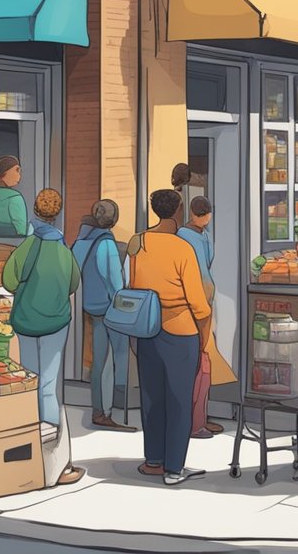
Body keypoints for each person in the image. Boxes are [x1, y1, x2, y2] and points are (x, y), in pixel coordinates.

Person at [128, 189, 211, 486]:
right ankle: (174, 468)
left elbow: (132, 286)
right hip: (180, 330)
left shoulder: (139, 243)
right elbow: (198, 304)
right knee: (178, 400)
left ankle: (153, 460)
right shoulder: (181, 249)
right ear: (177, 213)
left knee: (152, 396)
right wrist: (204, 336)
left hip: (146, 327)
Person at [3, 188, 84, 487]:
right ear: (58, 214)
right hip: (56, 323)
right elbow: (73, 283)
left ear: (36, 213)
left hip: (26, 321)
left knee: (29, 382)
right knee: (48, 387)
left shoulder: (26, 247)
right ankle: (52, 463)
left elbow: (9, 280)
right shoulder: (64, 251)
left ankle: (25, 453)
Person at [71, 199, 134, 433]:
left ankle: (99, 407)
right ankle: (106, 411)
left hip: (90, 306)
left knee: (99, 359)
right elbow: (115, 282)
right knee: (112, 359)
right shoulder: (106, 243)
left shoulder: (81, 240)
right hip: (109, 308)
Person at [176, 196, 224, 439]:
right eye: (203, 212)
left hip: (205, 301)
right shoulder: (184, 237)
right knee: (199, 362)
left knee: (203, 361)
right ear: (195, 214)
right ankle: (195, 422)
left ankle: (200, 417)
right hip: (195, 305)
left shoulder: (203, 234)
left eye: (208, 212)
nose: (206, 216)